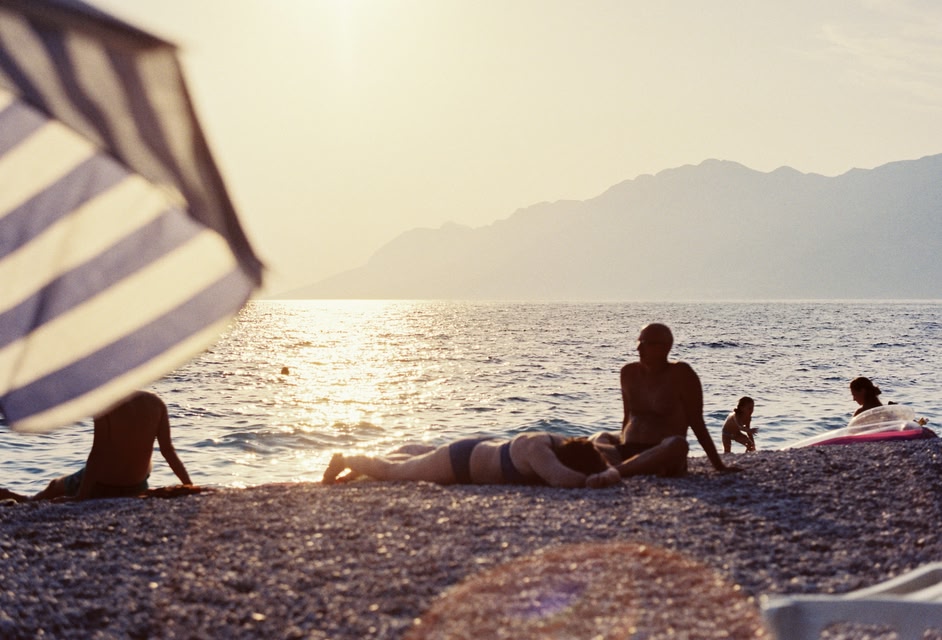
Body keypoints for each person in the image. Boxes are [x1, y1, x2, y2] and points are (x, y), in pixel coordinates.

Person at [2, 391, 192, 502]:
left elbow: (98, 454)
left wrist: (82, 497)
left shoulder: (104, 404)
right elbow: (168, 451)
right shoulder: (156, 403)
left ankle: (26, 501)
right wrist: (188, 484)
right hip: (137, 485)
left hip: (104, 486)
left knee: (55, 485)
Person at [597, 323, 735, 475]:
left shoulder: (681, 374)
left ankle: (614, 471)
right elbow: (627, 417)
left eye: (645, 344)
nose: (639, 349)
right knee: (600, 438)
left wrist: (718, 465)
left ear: (664, 347)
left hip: (662, 453)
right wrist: (621, 445)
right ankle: (620, 468)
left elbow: (697, 423)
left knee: (678, 444)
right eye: (639, 343)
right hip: (628, 450)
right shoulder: (628, 373)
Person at [321, 432, 678, 489]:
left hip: (478, 451)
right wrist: (606, 478)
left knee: (411, 460)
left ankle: (381, 455)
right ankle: (346, 458)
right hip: (459, 463)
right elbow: (563, 480)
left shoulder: (559, 443)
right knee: (395, 473)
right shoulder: (541, 451)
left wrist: (608, 471)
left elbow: (594, 462)